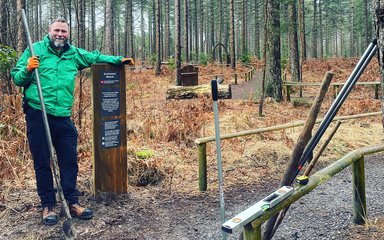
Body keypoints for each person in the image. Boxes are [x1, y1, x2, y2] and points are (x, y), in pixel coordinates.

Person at [11, 18, 134, 226]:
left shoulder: (73, 54)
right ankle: (48, 205)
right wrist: (28, 69)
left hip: (63, 116)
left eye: (64, 31)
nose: (60, 34)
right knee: (42, 162)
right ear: (49, 31)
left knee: (69, 160)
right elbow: (17, 79)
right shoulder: (35, 50)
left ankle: (71, 202)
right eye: (57, 30)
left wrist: (117, 59)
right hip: (38, 114)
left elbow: (94, 57)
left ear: (68, 34)